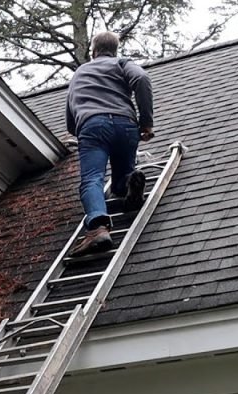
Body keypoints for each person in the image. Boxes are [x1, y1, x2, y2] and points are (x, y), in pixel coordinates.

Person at [65, 30, 155, 257]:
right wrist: (146, 123)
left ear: (93, 52)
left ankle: (97, 228)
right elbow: (142, 79)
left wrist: (78, 130)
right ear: (114, 50)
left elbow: (70, 113)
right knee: (120, 181)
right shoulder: (122, 63)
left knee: (93, 178)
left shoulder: (80, 72)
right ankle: (129, 185)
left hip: (93, 126)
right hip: (126, 126)